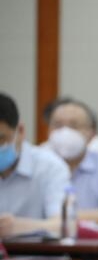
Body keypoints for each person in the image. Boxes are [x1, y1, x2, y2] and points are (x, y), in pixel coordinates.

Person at [44, 97, 98, 223]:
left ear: (91, 134)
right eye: (58, 125)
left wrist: (59, 217)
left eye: (74, 126)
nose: (65, 132)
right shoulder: (38, 165)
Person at [0, 92, 70, 238]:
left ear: (20, 131)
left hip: (36, 251)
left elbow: (65, 225)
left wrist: (18, 227)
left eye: (1, 138)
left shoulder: (50, 167)